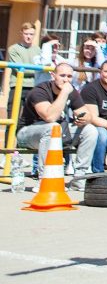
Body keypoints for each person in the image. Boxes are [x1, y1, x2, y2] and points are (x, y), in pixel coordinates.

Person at [16, 62, 97, 191]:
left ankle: (79, 179)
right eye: (62, 75)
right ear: (53, 75)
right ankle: (44, 181)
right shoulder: (40, 91)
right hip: (26, 134)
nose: (66, 80)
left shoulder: (71, 91)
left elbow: (88, 114)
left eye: (69, 76)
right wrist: (64, 93)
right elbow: (49, 117)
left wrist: (83, 118)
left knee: (90, 130)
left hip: (56, 132)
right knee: (52, 127)